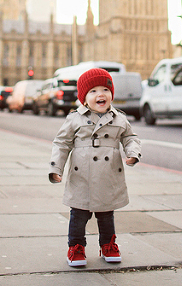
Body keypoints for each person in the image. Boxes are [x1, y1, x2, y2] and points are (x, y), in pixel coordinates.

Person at [49, 68, 142, 267]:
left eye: (105, 90)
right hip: (81, 175)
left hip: (108, 176)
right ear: (83, 98)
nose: (100, 94)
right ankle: (76, 247)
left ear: (111, 94)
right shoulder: (75, 118)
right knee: (78, 215)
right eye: (93, 91)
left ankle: (108, 244)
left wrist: (133, 153)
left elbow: (130, 138)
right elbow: (62, 143)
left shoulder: (119, 118)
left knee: (106, 214)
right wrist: (56, 168)